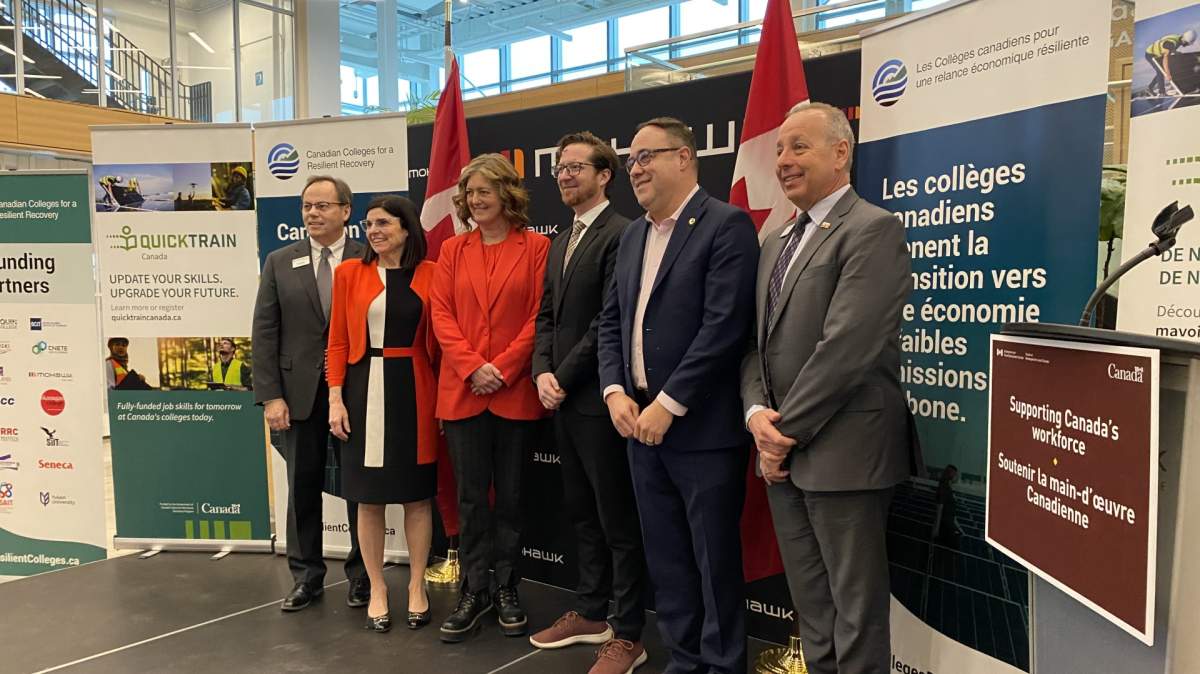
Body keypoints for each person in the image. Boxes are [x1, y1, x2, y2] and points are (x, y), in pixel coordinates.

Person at [740, 102, 915, 674]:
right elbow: (754, 347)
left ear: (842, 153)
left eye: (799, 147)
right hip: (782, 453)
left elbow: (847, 349)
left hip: (845, 454)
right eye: (780, 149)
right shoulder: (774, 243)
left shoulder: (873, 229)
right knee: (812, 608)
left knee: (854, 612)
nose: (784, 160)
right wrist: (755, 415)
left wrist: (780, 435)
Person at [597, 117, 759, 674]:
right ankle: (685, 661)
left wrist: (668, 404)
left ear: (685, 158)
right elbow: (612, 321)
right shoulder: (633, 235)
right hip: (638, 426)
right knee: (666, 560)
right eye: (631, 160)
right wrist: (616, 390)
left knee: (713, 562)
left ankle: (721, 666)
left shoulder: (725, 225)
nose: (635, 169)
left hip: (701, 430)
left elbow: (724, 328)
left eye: (647, 157)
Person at [530, 132, 647, 674]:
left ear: (605, 175)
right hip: (561, 400)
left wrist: (563, 374)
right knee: (582, 514)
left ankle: (627, 633)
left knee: (616, 518)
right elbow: (547, 316)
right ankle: (592, 611)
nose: (564, 174)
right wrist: (539, 373)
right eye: (559, 167)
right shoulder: (561, 238)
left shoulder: (624, 234)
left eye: (576, 166)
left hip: (601, 400)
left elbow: (608, 319)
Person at [430, 153, 550, 643]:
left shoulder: (537, 246)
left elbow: (541, 316)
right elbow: (441, 316)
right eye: (469, 193)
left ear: (506, 194)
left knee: (513, 499)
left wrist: (498, 369)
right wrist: (472, 367)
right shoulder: (453, 251)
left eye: (484, 191)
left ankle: (507, 587)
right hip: (462, 392)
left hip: (514, 391)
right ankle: (473, 589)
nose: (475, 200)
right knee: (471, 499)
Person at [252, 175, 370, 612]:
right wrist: (270, 395)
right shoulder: (280, 261)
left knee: (360, 486)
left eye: (323, 206)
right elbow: (264, 332)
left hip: (356, 392)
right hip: (297, 392)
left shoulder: (369, 257)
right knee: (301, 486)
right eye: (307, 206)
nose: (313, 214)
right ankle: (306, 577)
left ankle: (363, 575)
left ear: (345, 211)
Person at [326, 195, 439, 633]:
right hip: (360, 389)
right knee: (368, 497)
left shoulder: (431, 274)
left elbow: (441, 340)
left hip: (417, 388)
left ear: (407, 229)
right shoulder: (348, 274)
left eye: (383, 223)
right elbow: (336, 342)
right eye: (369, 224)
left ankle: (416, 585)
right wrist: (335, 397)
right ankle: (375, 587)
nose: (373, 231)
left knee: (416, 495)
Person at [1145, 30, 1195, 96]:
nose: (1187, 45)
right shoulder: (1171, 44)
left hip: (1158, 53)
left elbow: (1171, 48)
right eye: (1187, 44)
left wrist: (1176, 52)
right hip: (1150, 54)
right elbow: (1166, 58)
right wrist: (1168, 74)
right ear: (1184, 40)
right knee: (1161, 71)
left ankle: (1149, 88)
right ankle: (1162, 92)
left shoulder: (1178, 39)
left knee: (1161, 71)